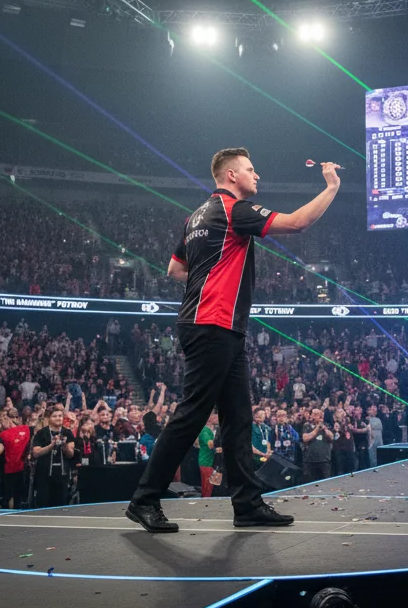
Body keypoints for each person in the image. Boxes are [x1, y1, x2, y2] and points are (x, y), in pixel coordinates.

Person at [127, 149, 339, 533]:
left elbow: (175, 268)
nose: (256, 176)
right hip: (213, 325)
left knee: (239, 417)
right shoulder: (234, 210)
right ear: (230, 175)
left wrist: (208, 277)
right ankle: (144, 499)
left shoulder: (194, 217)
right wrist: (331, 187)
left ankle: (247, 504)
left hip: (215, 325)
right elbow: (298, 223)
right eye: (250, 170)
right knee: (191, 414)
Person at [32, 409, 77, 508]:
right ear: (49, 418)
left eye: (60, 416)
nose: (58, 418)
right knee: (43, 504)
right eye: (55, 416)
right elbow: (35, 452)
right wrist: (51, 446)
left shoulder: (67, 433)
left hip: (62, 474)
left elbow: (70, 454)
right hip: (44, 474)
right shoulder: (41, 433)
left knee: (61, 505)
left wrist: (64, 445)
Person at [0, 411, 32, 509]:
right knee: (14, 496)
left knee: (12, 496)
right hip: (11, 468)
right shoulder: (26, 429)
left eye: (3, 419)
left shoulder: (4, 434)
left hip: (17, 468)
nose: (2, 422)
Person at [301, 407, 335, 483]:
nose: (318, 416)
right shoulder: (307, 425)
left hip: (324, 460)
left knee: (325, 482)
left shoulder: (326, 425)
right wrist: (317, 429)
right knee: (310, 483)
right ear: (312, 416)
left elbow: (332, 437)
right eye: (315, 414)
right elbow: (305, 438)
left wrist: (324, 429)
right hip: (310, 460)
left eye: (319, 415)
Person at [197, 413, 218, 498]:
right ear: (209, 418)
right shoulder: (204, 430)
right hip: (206, 462)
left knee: (210, 487)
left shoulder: (211, 431)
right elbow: (210, 445)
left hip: (211, 462)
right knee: (207, 487)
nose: (218, 418)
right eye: (215, 416)